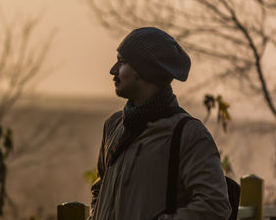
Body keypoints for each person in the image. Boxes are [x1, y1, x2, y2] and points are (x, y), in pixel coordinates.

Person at [88, 27, 231, 220]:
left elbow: (215, 206)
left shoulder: (188, 134)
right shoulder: (113, 126)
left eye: (121, 62)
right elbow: (98, 191)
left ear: (145, 70)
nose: (113, 70)